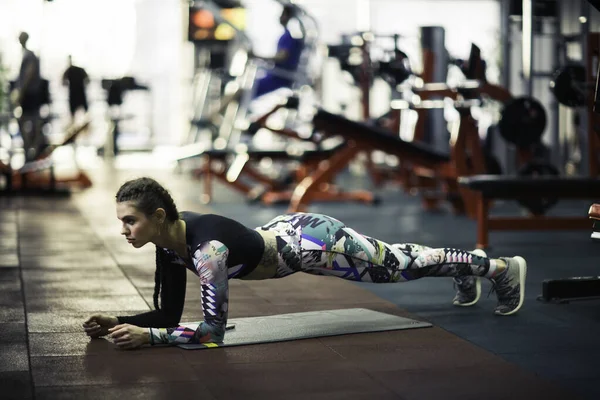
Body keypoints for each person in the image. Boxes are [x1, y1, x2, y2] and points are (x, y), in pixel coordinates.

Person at [83, 177, 527, 350]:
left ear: (157, 217)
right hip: (287, 232)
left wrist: (152, 338)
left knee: (397, 265)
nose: (124, 230)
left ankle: (500, 269)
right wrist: (118, 321)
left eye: (130, 221)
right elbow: (169, 314)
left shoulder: (208, 253)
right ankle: (469, 270)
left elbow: (211, 333)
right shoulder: (168, 243)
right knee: (401, 261)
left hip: (314, 245)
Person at [250, 4, 304, 98]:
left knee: (243, 91)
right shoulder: (288, 36)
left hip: (280, 77)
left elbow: (282, 57)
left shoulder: (289, 37)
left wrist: (257, 56)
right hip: (277, 75)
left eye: (283, 14)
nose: (280, 17)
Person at [12, 32, 43, 161]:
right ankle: (30, 148)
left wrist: (21, 92)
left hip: (29, 94)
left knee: (29, 120)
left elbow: (29, 74)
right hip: (29, 94)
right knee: (27, 121)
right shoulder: (26, 54)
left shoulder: (29, 55)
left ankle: (32, 148)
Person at [62, 55, 89, 119]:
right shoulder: (70, 70)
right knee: (81, 109)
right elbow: (88, 79)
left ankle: (84, 119)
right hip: (77, 92)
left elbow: (63, 81)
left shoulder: (70, 70)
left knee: (81, 109)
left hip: (77, 92)